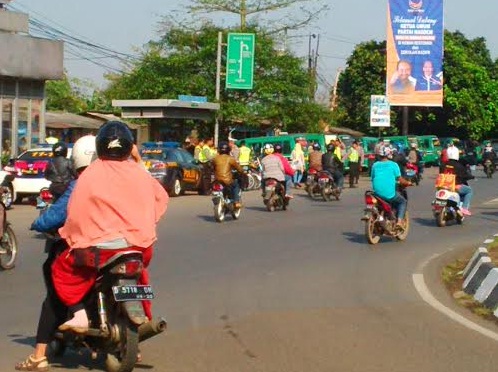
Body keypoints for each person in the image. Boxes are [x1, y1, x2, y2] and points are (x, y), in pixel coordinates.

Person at [50, 121, 169, 334]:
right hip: (139, 248)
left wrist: (70, 235)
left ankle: (79, 314)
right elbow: (160, 200)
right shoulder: (140, 173)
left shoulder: (90, 174)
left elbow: (76, 214)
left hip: (99, 253)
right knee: (140, 276)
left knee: (63, 267)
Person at [15, 135, 97, 372]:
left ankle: (39, 354)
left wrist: (38, 223)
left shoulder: (80, 182)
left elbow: (58, 214)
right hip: (125, 244)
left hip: (83, 246)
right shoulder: (117, 179)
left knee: (55, 282)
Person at [371, 146, 411, 227]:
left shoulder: (375, 165)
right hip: (389, 193)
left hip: (376, 193)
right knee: (402, 201)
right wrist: (408, 183)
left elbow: (372, 178)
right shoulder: (393, 165)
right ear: (389, 154)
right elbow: (400, 179)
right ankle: (399, 221)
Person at [441, 145, 474, 216]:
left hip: (443, 186)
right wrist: (472, 176)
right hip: (455, 186)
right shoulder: (459, 166)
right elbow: (465, 175)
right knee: (469, 191)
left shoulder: (443, 165)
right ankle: (464, 208)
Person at [212, 141, 245, 208]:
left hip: (217, 180)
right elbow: (239, 169)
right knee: (236, 184)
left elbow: (213, 168)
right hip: (227, 180)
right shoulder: (230, 159)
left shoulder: (215, 158)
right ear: (229, 150)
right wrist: (242, 172)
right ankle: (236, 202)